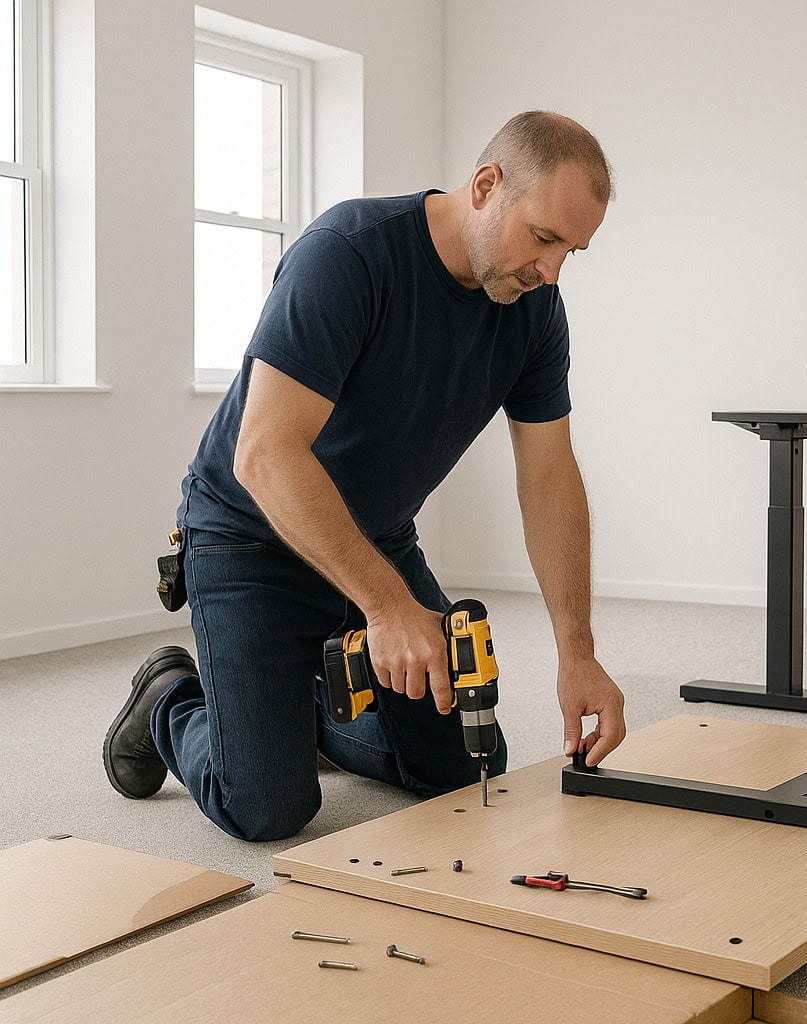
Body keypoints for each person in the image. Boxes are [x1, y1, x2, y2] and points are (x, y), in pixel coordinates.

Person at [103, 112, 628, 842]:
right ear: (485, 186)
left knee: (463, 767)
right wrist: (387, 609)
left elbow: (549, 475)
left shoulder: (535, 312)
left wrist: (579, 653)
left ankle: (301, 711)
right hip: (250, 537)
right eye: (544, 238)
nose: (553, 270)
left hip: (375, 536)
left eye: (573, 250)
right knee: (266, 808)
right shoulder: (349, 254)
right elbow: (265, 453)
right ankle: (171, 696)